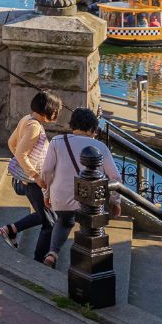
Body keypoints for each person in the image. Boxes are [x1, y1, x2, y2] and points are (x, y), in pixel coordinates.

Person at [38, 107, 122, 268]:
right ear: (91, 128)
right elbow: (116, 177)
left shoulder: (57, 141)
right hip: (89, 200)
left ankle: (52, 253)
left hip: (61, 197)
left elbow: (46, 171)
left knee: (63, 221)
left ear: (72, 125)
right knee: (93, 227)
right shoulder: (100, 147)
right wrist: (115, 201)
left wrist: (46, 194)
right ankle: (92, 264)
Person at [0, 91, 61, 259]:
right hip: (32, 183)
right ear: (48, 109)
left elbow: (11, 143)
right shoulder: (34, 127)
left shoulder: (27, 119)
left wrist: (22, 166)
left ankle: (11, 230)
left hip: (27, 180)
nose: (57, 114)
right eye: (55, 110)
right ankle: (39, 261)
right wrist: (33, 175)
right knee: (50, 223)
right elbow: (20, 153)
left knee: (45, 215)